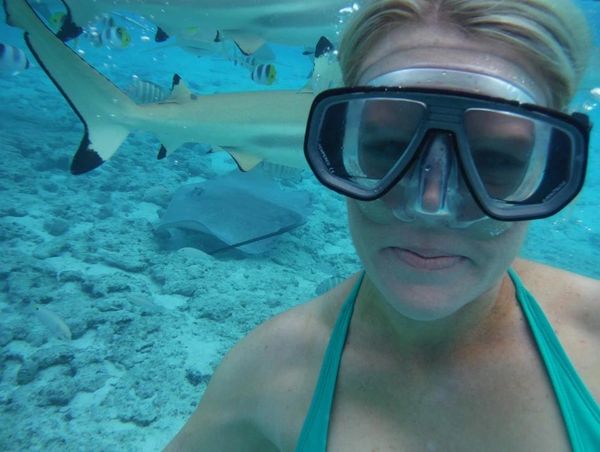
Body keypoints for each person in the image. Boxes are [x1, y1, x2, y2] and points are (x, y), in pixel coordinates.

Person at [166, 0, 600, 450]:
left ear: (551, 172)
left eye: (495, 160)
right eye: (389, 146)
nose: (429, 205)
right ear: (338, 147)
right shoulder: (262, 381)